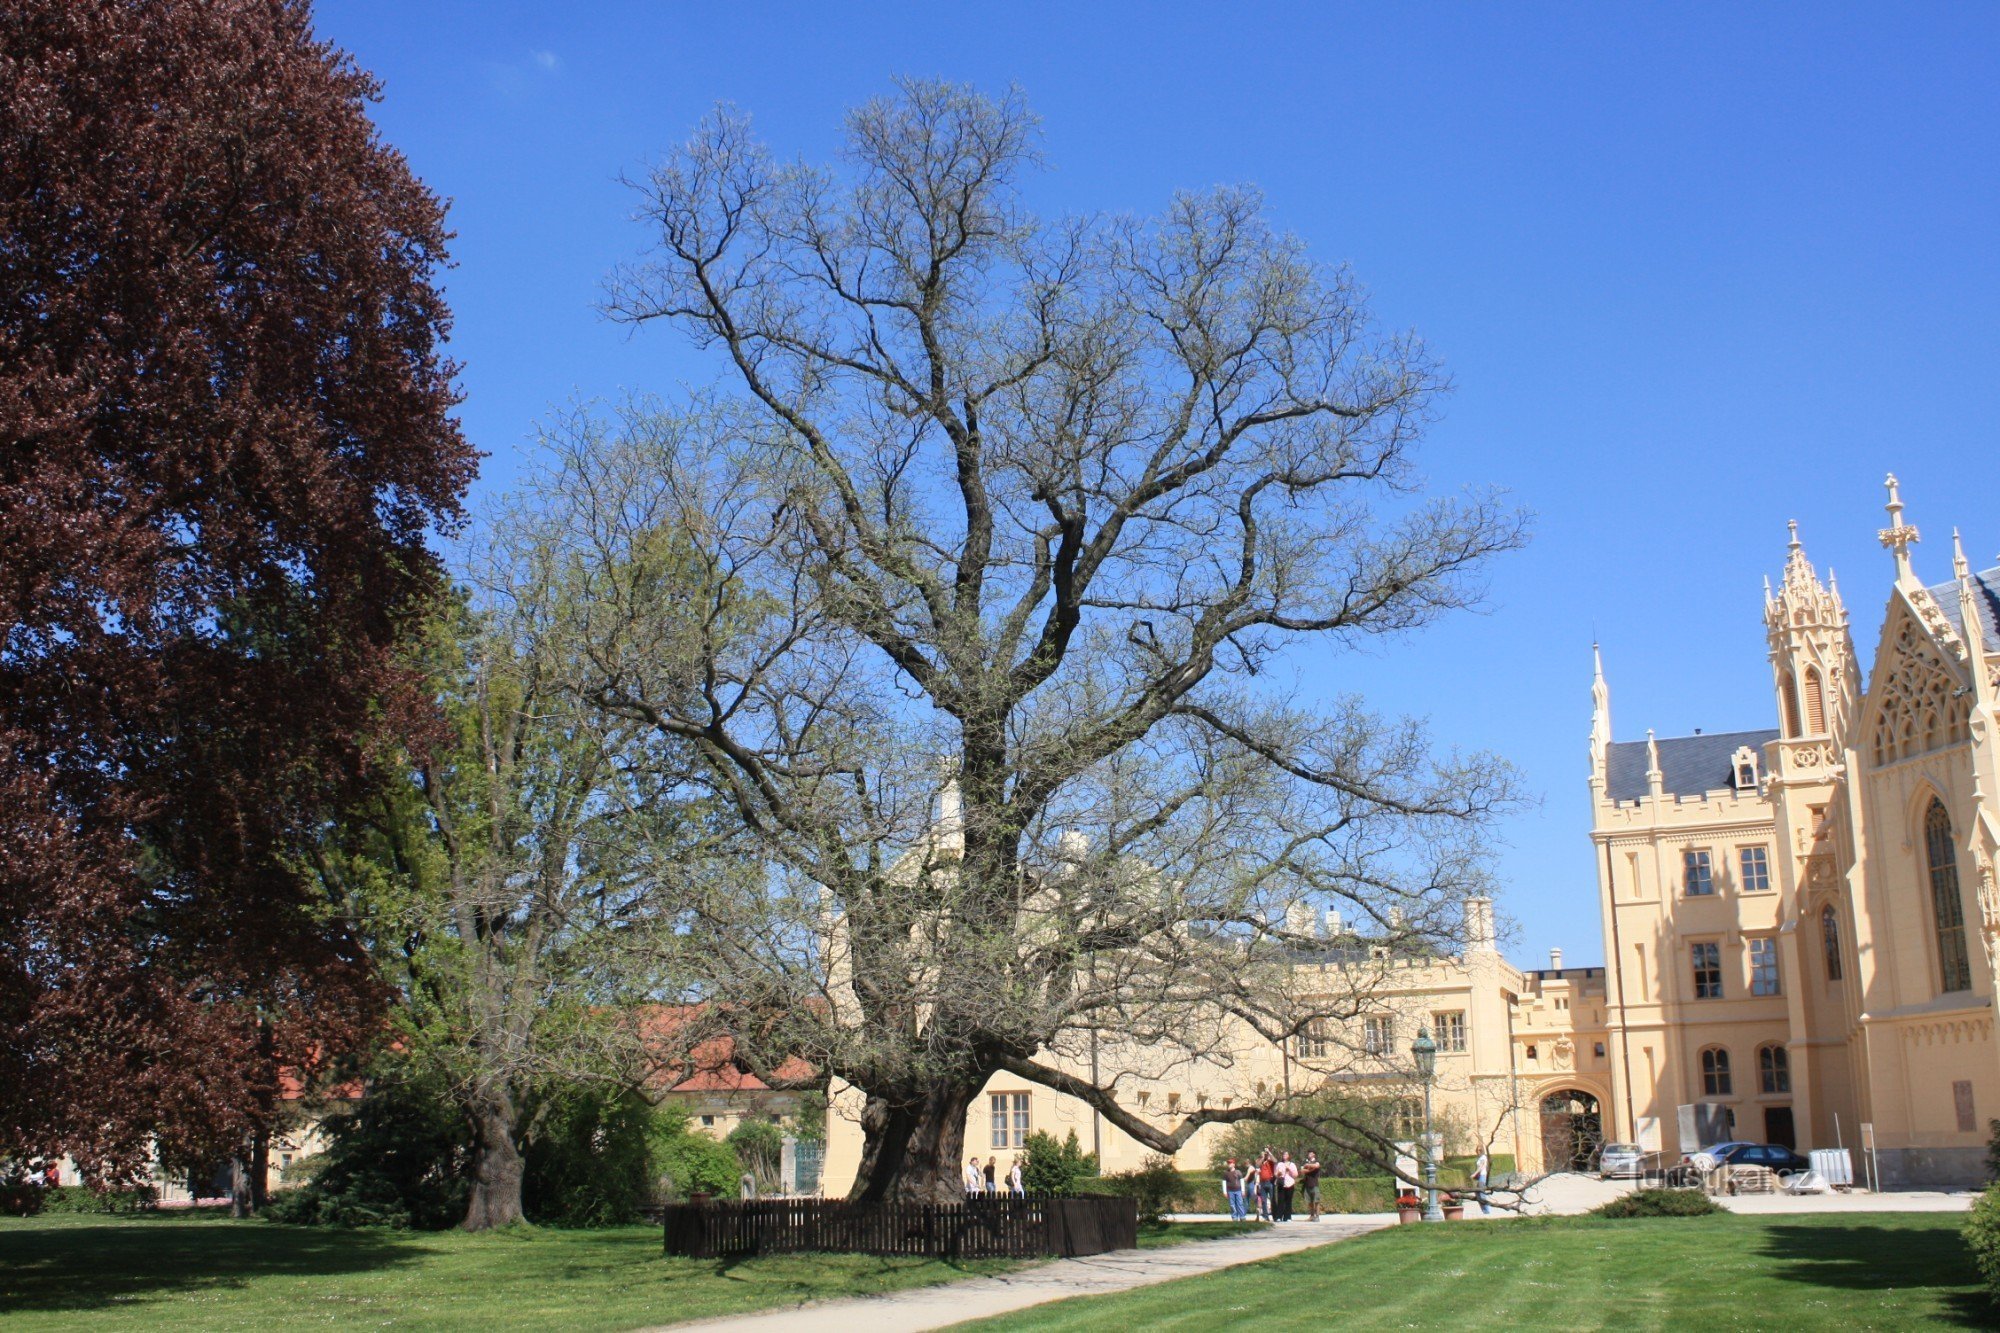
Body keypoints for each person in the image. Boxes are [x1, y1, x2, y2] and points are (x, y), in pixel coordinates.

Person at [1273, 1151, 1298, 1222]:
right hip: (1281, 1184)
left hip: (1290, 1184)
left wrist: (1289, 1169)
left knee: (1288, 1201)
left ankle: (1288, 1217)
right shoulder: (1280, 1164)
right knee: (1280, 1200)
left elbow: (1295, 1175)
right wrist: (1278, 1173)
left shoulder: (1292, 1164)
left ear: (1289, 1156)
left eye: (1286, 1154)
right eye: (1283, 1154)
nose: (1284, 1155)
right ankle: (1279, 1216)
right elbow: (1275, 1174)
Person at [1299, 1150, 1323, 1222]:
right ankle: (1312, 1216)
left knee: (1316, 1201)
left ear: (1314, 1154)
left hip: (1314, 1184)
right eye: (1308, 1153)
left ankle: (1317, 1216)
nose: (1309, 1154)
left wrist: (1308, 1166)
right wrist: (1309, 1168)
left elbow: (1317, 1166)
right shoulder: (1305, 1162)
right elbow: (1302, 1171)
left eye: (1311, 1153)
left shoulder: (1316, 1161)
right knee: (1310, 1202)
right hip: (1307, 1184)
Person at [1255, 1148, 1276, 1221]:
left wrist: (1269, 1153)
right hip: (1262, 1182)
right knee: (1263, 1200)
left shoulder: (1270, 1162)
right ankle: (1265, 1216)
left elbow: (1275, 1161)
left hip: (1270, 1182)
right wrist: (1263, 1157)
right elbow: (1257, 1165)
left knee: (1273, 1199)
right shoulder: (1259, 1161)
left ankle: (1275, 1216)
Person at [1474, 1148, 1491, 1216]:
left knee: (1481, 1193)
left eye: (1479, 1150)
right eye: (1477, 1150)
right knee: (1477, 1193)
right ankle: (1484, 1210)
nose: (1477, 1152)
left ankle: (1486, 1210)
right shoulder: (1480, 1158)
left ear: (1482, 1151)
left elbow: (1481, 1167)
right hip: (1480, 1176)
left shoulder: (1483, 1157)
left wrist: (1474, 1174)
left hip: (1482, 1176)